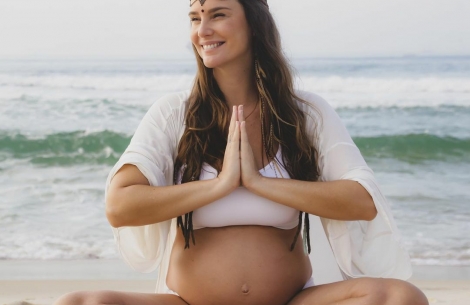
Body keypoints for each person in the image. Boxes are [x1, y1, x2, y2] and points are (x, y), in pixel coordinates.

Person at [54, 0, 429, 304]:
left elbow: (361, 200)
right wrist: (218, 186)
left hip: (292, 301)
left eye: (218, 14)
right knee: (76, 303)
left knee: (401, 297)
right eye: (195, 17)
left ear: (254, 24)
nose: (202, 30)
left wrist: (259, 182)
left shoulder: (304, 115)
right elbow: (120, 207)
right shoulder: (174, 114)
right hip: (187, 302)